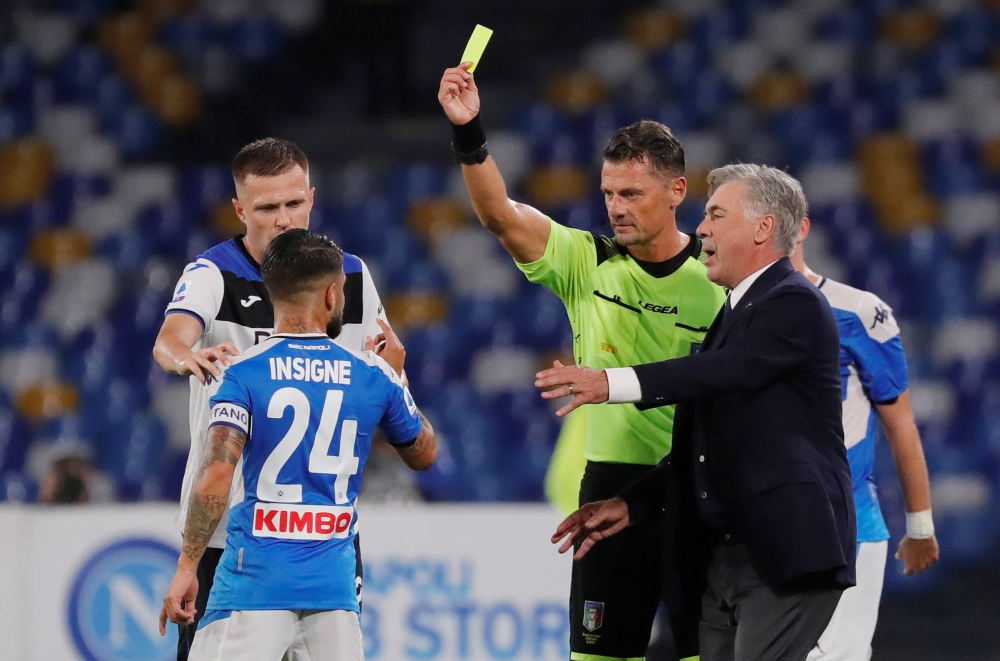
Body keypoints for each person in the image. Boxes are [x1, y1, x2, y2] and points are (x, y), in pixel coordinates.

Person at [438, 65, 726, 661]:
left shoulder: (721, 279)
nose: (616, 208)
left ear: (676, 192)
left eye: (632, 194)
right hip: (610, 486)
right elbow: (499, 215)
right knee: (599, 656)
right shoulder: (585, 261)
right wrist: (470, 133)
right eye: (609, 194)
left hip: (697, 487)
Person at [540, 164, 856, 661]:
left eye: (715, 215)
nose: (701, 228)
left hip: (783, 551)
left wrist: (610, 382)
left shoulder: (795, 302)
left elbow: (720, 372)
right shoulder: (732, 313)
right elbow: (703, 443)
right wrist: (632, 504)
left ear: (762, 228)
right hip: (727, 554)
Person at [151, 138, 397, 659]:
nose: (284, 219)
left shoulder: (348, 276)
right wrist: (183, 356)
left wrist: (396, 372)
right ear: (240, 209)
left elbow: (382, 368)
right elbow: (170, 338)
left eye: (294, 203)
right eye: (266, 208)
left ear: (312, 197)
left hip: (323, 539)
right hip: (226, 535)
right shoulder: (213, 273)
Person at [791, 218, 939, 661]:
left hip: (847, 530)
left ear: (799, 228)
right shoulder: (723, 311)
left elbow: (901, 424)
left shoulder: (858, 312)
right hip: (757, 533)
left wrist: (920, 527)